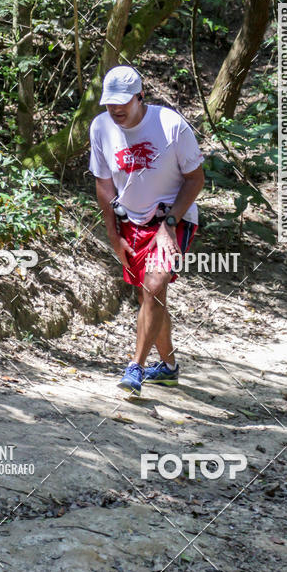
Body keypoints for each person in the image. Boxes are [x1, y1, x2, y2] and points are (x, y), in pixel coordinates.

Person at [89, 65, 204, 398]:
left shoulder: (170, 125)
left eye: (123, 102)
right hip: (130, 220)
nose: (116, 109)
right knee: (148, 295)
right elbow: (103, 183)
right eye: (110, 102)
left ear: (141, 97)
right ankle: (168, 368)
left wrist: (169, 226)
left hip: (173, 216)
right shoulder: (100, 127)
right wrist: (114, 235)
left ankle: (135, 367)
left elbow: (196, 179)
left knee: (155, 283)